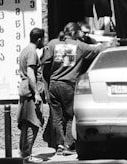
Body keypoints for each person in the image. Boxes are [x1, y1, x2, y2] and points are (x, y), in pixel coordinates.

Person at [41, 21, 108, 158]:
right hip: (69, 85)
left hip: (54, 84)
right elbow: (99, 50)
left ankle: (59, 145)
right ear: (76, 32)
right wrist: (95, 40)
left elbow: (44, 63)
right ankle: (68, 145)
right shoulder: (80, 46)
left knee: (57, 117)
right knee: (71, 115)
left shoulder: (53, 44)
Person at [17, 27, 45, 162]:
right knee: (33, 124)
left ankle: (24, 154)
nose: (43, 42)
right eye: (43, 39)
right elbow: (30, 73)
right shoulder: (32, 52)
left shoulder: (25, 50)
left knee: (26, 124)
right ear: (39, 39)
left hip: (25, 90)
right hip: (30, 93)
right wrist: (37, 94)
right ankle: (27, 156)